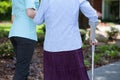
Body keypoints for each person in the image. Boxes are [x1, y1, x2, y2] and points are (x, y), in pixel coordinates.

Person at [34, 0, 98, 80]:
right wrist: (92, 35)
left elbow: (37, 20)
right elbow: (93, 16)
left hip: (52, 47)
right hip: (72, 45)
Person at [9, 0, 39, 80]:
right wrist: (43, 14)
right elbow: (30, 13)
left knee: (22, 68)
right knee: (22, 71)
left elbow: (13, 18)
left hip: (15, 33)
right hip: (26, 34)